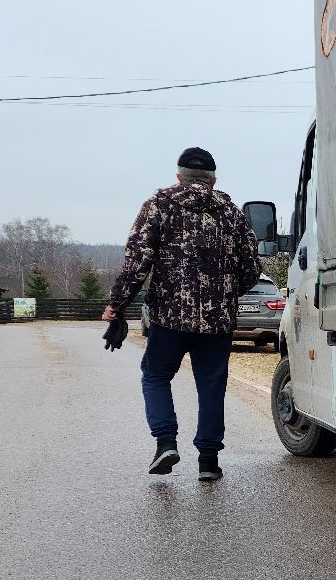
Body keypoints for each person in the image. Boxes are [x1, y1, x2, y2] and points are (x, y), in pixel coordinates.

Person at [103, 147, 260, 481]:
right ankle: (208, 462)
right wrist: (225, 294)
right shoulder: (232, 214)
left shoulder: (158, 206)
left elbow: (137, 263)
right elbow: (251, 268)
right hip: (217, 321)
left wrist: (116, 306)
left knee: (156, 376)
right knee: (212, 387)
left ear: (179, 176)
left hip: (169, 318)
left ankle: (165, 442)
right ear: (213, 179)